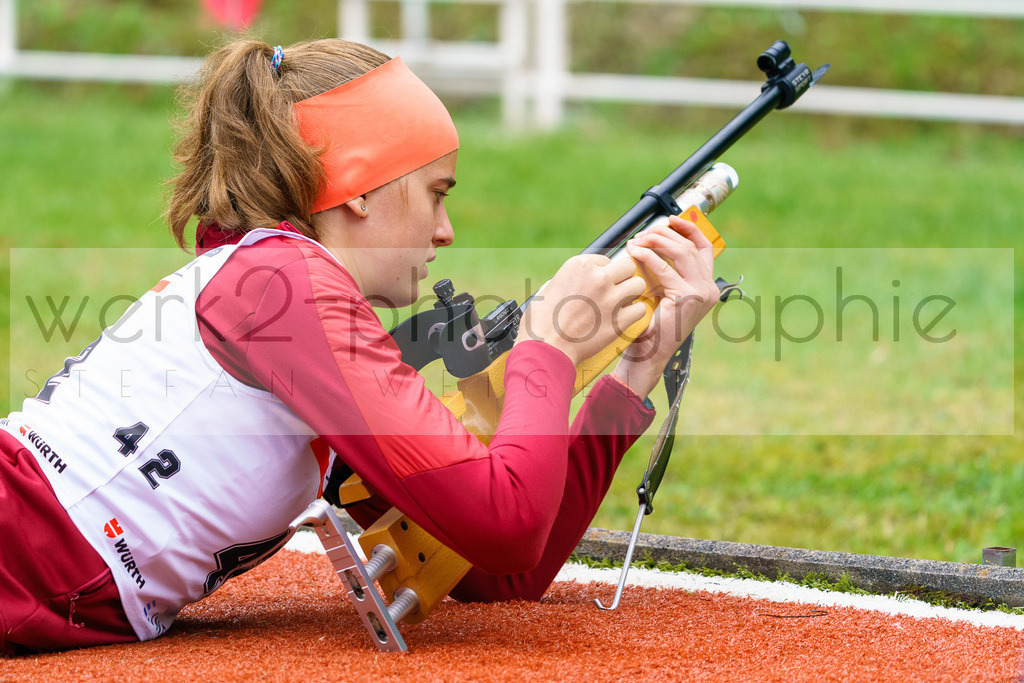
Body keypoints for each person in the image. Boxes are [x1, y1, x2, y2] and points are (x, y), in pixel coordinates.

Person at [0, 38, 720, 654]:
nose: (446, 231)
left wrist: (635, 369)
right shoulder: (287, 285)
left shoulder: (287, 293)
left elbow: (496, 570)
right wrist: (549, 345)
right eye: (437, 192)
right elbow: (508, 525)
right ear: (362, 186)